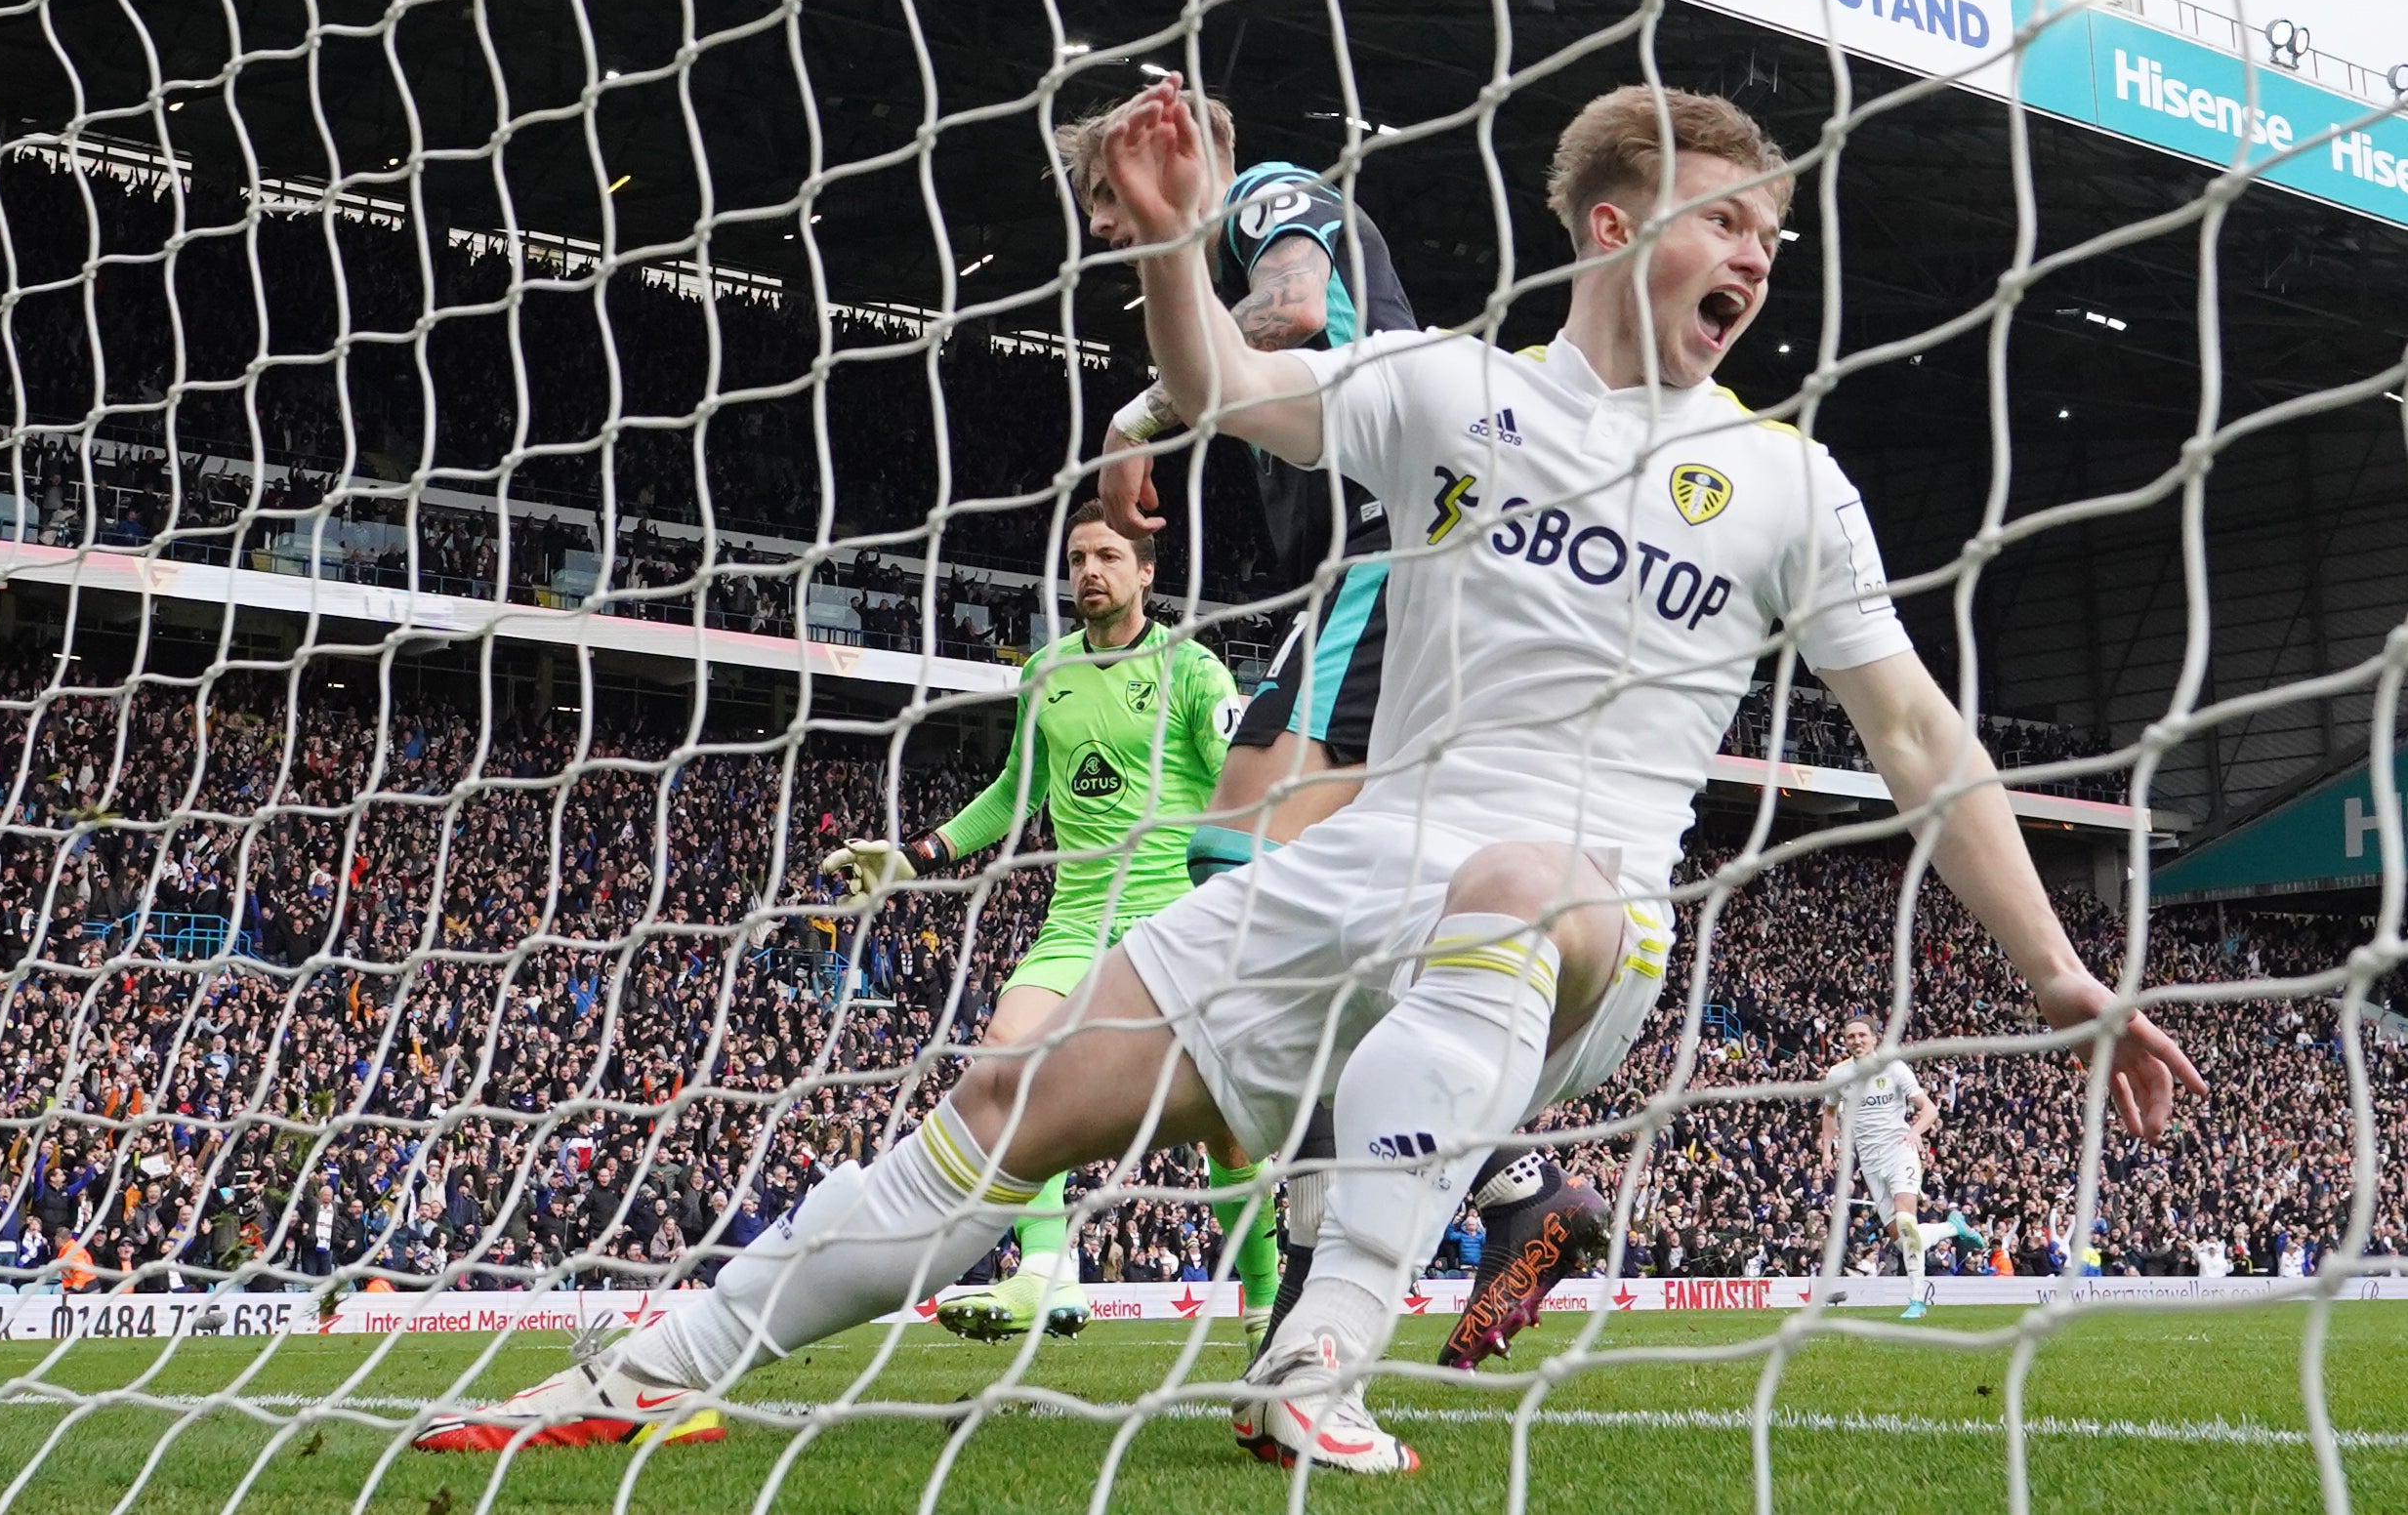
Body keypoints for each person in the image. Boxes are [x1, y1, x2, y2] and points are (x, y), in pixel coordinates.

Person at [410, 78, 2207, 1475]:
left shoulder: (1788, 487)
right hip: (1358, 870)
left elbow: (1916, 738)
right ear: (1609, 220)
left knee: (1519, 883)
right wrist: (1165, 241)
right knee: (1012, 1087)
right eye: (1725, 220)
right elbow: (1211, 387)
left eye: (1769, 242)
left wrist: (2056, 970)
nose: (1754, 259)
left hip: (1580, 915)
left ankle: (1316, 1356)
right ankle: (642, 1370)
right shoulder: (1444, 392)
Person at [1063, 91, 1611, 1372]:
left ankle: (1453, 1206)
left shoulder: (1267, 195)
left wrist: (1136, 416)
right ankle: (1464, 1204)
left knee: (1240, 879)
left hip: (1396, 557)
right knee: (1318, 922)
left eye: (1101, 187)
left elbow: (1299, 308)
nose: (1100, 219)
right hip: (1399, 572)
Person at [811, 503, 1271, 1349]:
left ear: (1145, 573)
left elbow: (1241, 788)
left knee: (1226, 1127)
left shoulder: (1194, 669)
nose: (1088, 570)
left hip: (1176, 915)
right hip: (1076, 917)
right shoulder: (1048, 670)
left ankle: (1263, 1302)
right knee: (1010, 1060)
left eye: (1106, 555)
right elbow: (1014, 794)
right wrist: (917, 852)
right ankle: (1048, 1268)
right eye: (1076, 558)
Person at [1819, 1013, 1979, 1319]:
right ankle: (1952, 1227)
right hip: (1870, 1162)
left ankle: (1917, 1302)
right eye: (1851, 1036)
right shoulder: (1838, 1075)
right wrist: (1827, 1152)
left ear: (1874, 1038)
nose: (1857, 1041)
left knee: (1907, 1224)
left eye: (1862, 1035)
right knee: (1904, 1239)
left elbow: (1929, 1109)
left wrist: (1914, 1132)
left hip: (1900, 1152)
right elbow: (1829, 1114)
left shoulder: (1893, 1067)